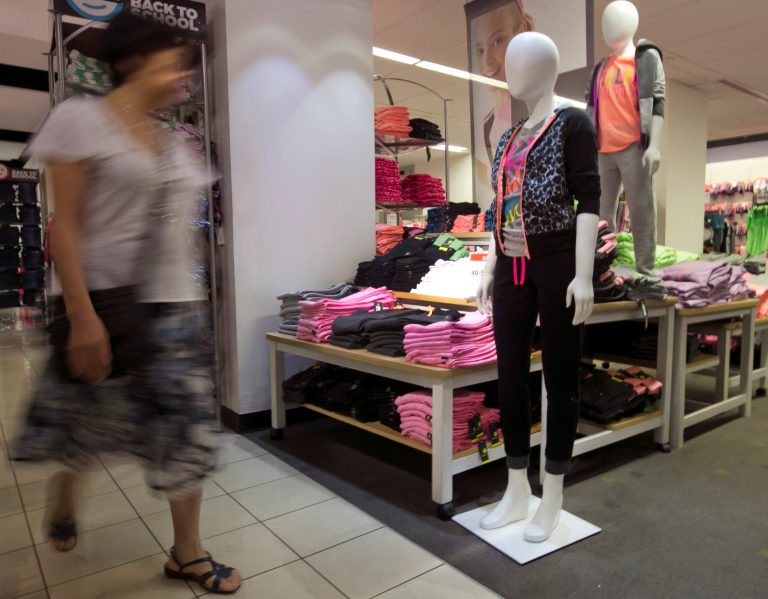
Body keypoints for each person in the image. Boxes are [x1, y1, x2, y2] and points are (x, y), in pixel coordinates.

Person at [12, 12, 241, 595]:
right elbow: (65, 228)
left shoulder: (175, 144)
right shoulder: (80, 119)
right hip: (103, 307)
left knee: (186, 431)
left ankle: (187, 552)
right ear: (136, 58)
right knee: (89, 426)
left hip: (175, 311)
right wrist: (82, 318)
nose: (186, 75)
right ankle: (66, 490)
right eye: (175, 61)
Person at [470, 0, 534, 164]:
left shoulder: (541, 106)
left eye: (497, 41)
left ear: (521, 31)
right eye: (480, 50)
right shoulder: (488, 124)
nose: (487, 61)